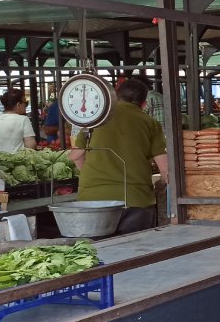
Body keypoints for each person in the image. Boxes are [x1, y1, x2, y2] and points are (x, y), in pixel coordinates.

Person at [69, 79, 168, 235]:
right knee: (135, 250)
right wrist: (161, 185)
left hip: (92, 200)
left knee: (97, 253)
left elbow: (76, 156)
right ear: (143, 104)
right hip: (135, 199)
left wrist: (92, 175)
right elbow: (165, 169)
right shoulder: (151, 123)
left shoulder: (97, 119)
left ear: (116, 96)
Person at [0, 88, 36, 153]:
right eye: (25, 103)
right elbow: (30, 146)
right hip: (18, 162)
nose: (26, 105)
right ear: (18, 105)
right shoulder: (23, 120)